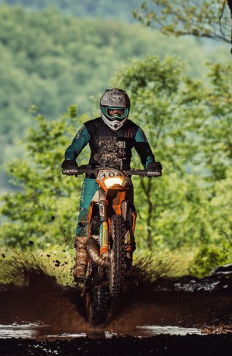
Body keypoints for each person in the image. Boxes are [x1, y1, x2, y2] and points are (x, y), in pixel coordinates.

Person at [61, 88, 161, 281]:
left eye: (120, 111)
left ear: (127, 111)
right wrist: (69, 161)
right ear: (103, 109)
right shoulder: (90, 127)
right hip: (94, 177)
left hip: (123, 178)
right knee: (84, 214)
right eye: (112, 111)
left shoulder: (134, 130)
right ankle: (80, 262)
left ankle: (127, 256)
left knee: (129, 215)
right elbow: (73, 148)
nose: (116, 115)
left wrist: (151, 165)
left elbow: (146, 153)